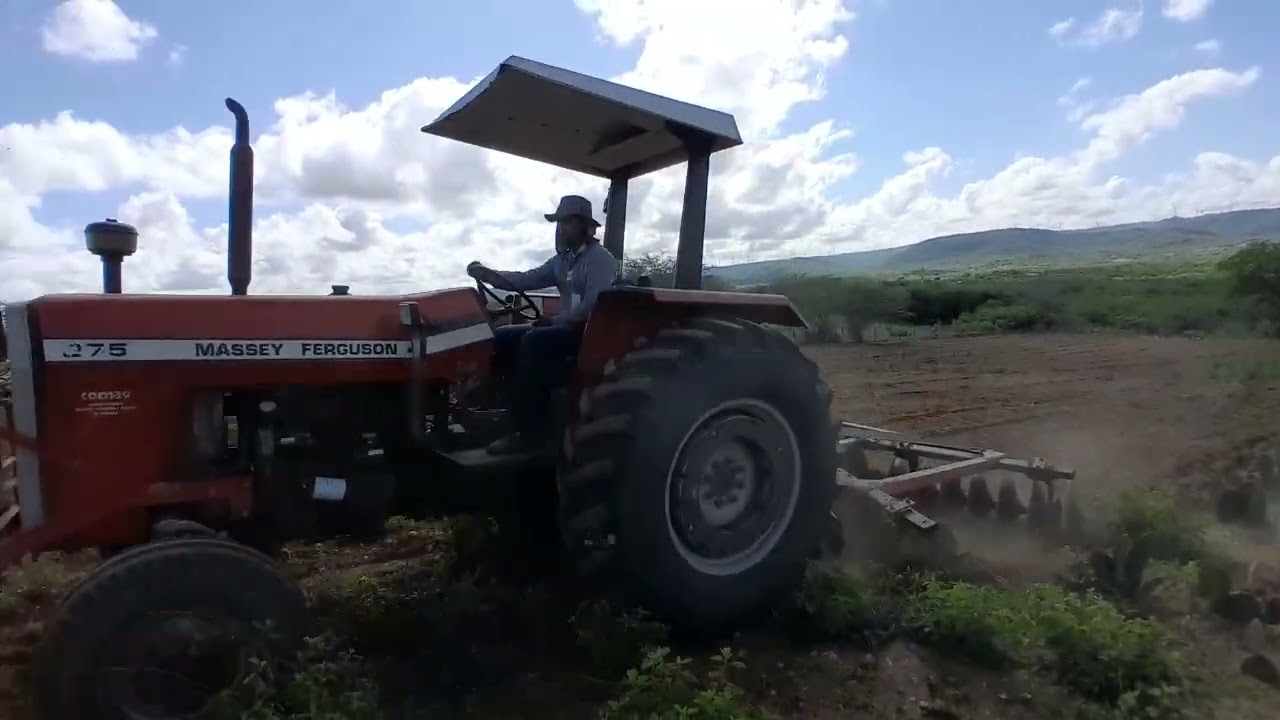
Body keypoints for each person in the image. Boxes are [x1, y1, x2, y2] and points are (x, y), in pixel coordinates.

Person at [467, 194, 619, 455]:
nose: (562, 228)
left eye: (568, 222)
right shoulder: (561, 261)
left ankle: (530, 433)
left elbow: (593, 304)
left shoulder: (600, 259)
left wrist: (554, 321)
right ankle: (507, 411)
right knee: (503, 336)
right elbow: (527, 279)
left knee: (534, 341)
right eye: (559, 222)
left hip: (588, 331)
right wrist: (491, 275)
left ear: (585, 226)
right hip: (565, 327)